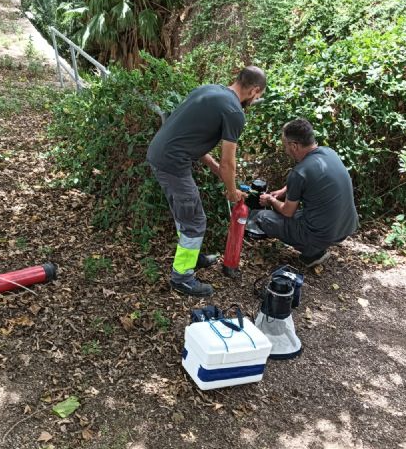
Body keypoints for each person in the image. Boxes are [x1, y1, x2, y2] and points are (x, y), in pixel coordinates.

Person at [147, 66, 267, 296]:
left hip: (161, 153)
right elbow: (228, 163)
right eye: (258, 96)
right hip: (173, 163)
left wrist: (213, 167)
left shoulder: (209, 90)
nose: (255, 100)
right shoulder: (234, 112)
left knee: (186, 212)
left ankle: (191, 255)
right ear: (254, 90)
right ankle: (182, 277)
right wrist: (232, 192)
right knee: (194, 220)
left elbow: (192, 135)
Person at [256, 118, 358, 268]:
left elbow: (287, 212)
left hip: (323, 233)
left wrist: (270, 200)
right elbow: (308, 179)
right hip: (347, 226)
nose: (285, 150)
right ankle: (317, 244)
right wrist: (284, 191)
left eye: (285, 146)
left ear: (294, 146)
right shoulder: (329, 153)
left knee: (263, 217)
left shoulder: (299, 172)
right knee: (306, 212)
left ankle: (313, 252)